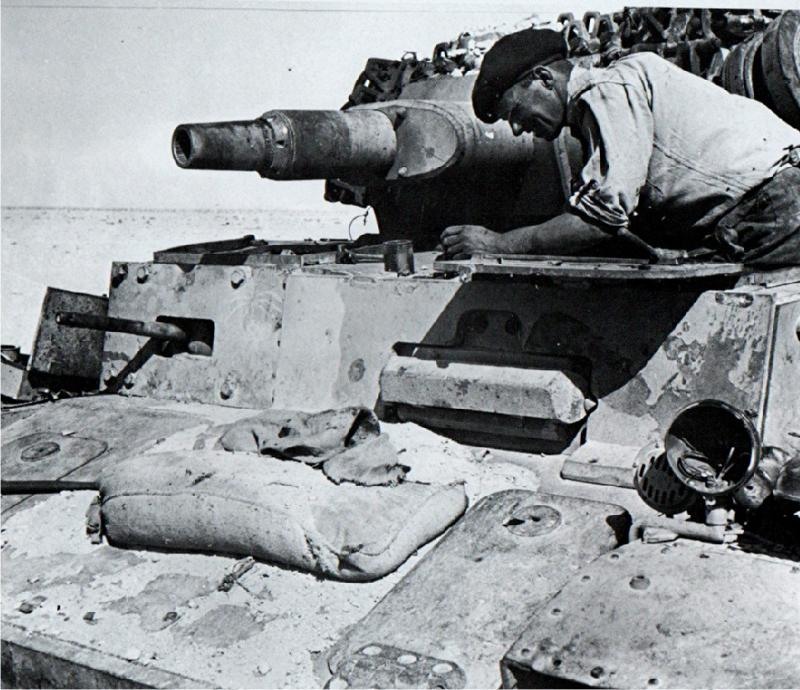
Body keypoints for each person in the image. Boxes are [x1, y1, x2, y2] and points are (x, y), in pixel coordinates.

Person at [441, 28, 800, 265]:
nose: (518, 129)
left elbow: (599, 219)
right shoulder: (619, 85)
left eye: (516, 112)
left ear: (544, 79)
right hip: (774, 203)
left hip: (772, 210)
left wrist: (499, 245)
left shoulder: (605, 91)